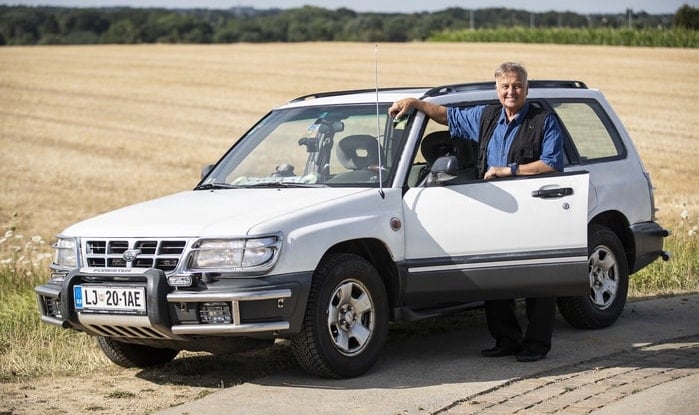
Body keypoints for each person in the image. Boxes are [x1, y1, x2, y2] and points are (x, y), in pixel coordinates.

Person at [388, 62, 563, 362]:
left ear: (526, 88)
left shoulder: (543, 120)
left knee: (537, 278)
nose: (511, 91)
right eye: (505, 86)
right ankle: (506, 340)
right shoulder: (487, 117)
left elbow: (551, 163)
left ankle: (537, 344)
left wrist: (509, 170)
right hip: (492, 208)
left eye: (517, 85)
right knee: (495, 275)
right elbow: (446, 116)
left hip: (533, 208)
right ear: (497, 89)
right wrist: (416, 104)